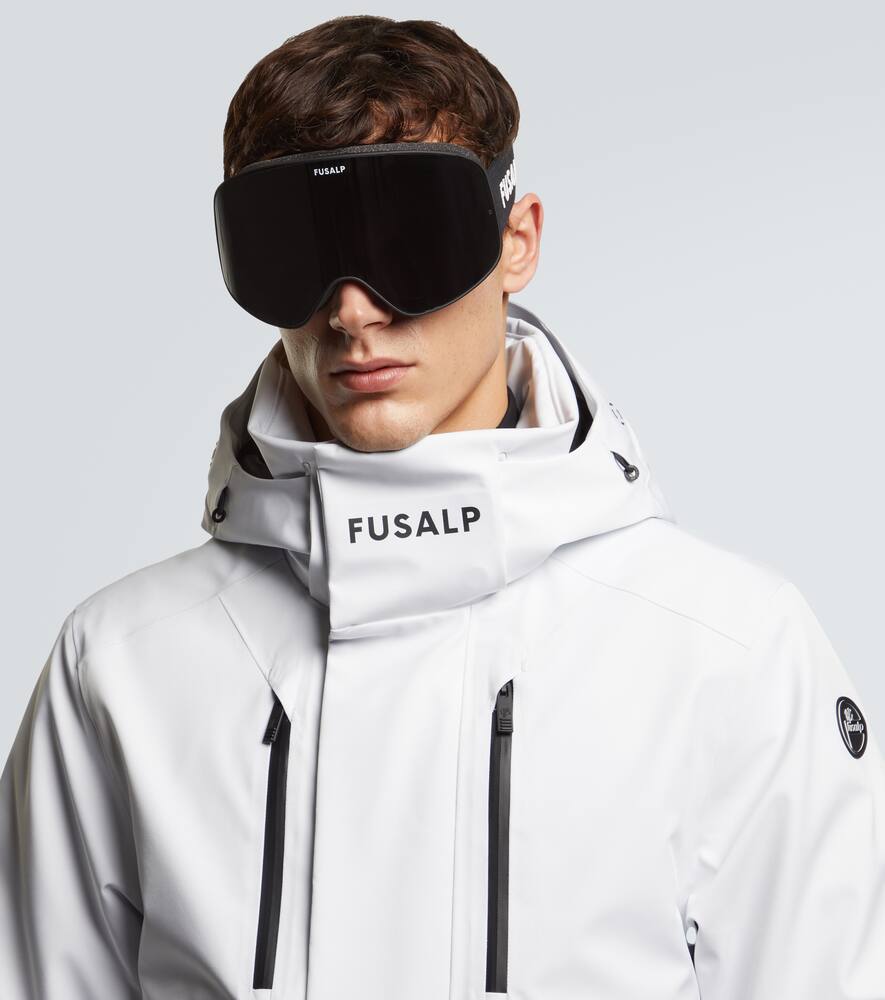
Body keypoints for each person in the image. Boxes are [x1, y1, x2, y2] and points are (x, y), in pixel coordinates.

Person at [2, 14, 884, 999]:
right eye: (299, 248)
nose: (352, 311)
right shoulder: (120, 665)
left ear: (516, 241)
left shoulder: (729, 652)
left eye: (409, 241)